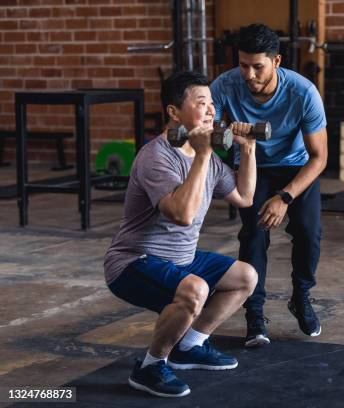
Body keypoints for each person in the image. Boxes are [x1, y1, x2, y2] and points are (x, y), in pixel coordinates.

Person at [103, 70, 258, 398]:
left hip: (180, 260)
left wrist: (248, 150)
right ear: (174, 113)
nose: (212, 111)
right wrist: (202, 153)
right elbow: (183, 215)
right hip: (134, 261)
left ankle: (189, 345)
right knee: (194, 290)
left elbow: (244, 197)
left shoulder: (210, 160)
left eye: (213, 104)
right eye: (202, 103)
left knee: (245, 276)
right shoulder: (156, 157)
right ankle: (149, 366)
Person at [210, 23, 328, 348]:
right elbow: (209, 134)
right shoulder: (224, 86)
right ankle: (255, 315)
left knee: (307, 230)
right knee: (253, 234)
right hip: (251, 165)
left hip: (295, 166)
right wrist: (230, 133)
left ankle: (300, 296)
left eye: (257, 66)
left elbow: (319, 157)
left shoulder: (303, 93)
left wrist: (285, 197)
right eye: (243, 65)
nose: (249, 74)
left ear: (276, 61)